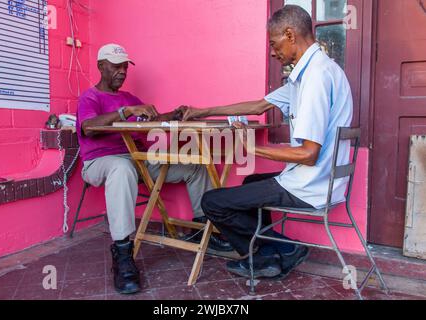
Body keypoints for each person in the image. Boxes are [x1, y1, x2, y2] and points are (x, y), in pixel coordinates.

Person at [178, 5, 353, 280]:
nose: (272, 52)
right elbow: (259, 106)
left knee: (212, 201)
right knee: (250, 184)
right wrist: (201, 112)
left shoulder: (315, 78)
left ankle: (280, 249)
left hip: (311, 185)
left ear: (290, 35)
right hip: (324, 179)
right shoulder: (311, 72)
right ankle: (270, 254)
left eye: (274, 43)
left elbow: (309, 154)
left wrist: (249, 148)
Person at [76, 44, 232, 295]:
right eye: (116, 66)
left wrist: (176, 114)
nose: (122, 71)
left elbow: (154, 120)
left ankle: (203, 229)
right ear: (101, 66)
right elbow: (88, 127)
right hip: (101, 161)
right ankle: (123, 252)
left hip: (138, 159)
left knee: (196, 165)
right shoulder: (90, 97)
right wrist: (124, 112)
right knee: (121, 169)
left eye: (125, 67)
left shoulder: (129, 98)